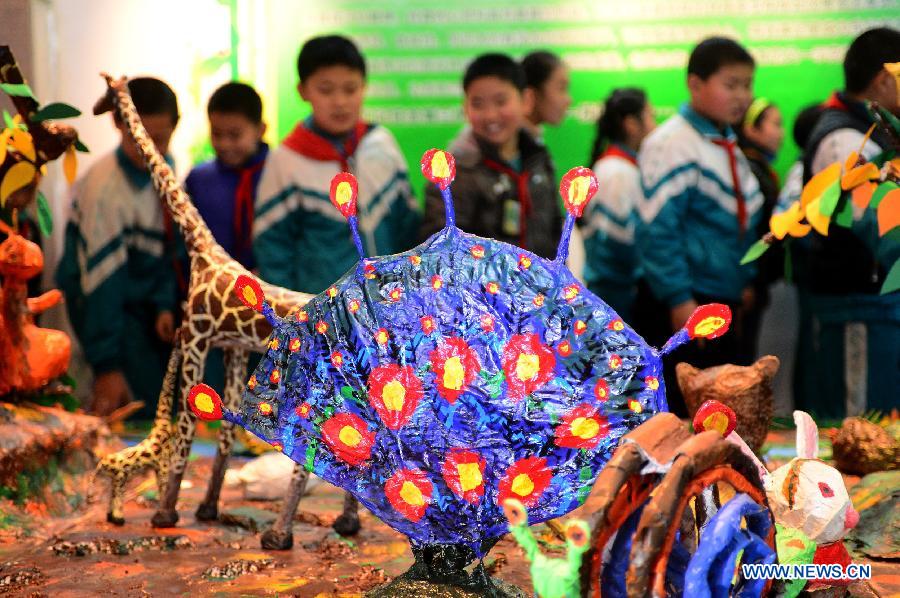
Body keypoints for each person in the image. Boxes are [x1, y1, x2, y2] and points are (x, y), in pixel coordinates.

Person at [634, 37, 763, 415]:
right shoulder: (672, 142)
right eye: (731, 84)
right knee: (684, 419)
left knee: (722, 417)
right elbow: (658, 230)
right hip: (685, 303)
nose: (742, 95)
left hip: (720, 299)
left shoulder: (725, 142)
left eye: (747, 84)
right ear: (695, 84)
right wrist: (678, 299)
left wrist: (745, 279)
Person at [253, 34, 420, 294]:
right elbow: (273, 250)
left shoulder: (381, 144)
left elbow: (408, 227)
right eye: (326, 90)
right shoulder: (287, 160)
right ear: (303, 91)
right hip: (321, 316)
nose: (340, 101)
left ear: (364, 87)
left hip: (390, 306)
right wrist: (290, 316)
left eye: (350, 89)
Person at [56, 77, 181, 417]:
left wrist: (163, 305)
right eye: (137, 138)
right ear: (118, 124)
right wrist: (107, 365)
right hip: (111, 322)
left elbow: (168, 247)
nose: (148, 148)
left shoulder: (165, 167)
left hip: (145, 317)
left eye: (159, 139)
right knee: (134, 415)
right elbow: (100, 286)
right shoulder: (106, 190)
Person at [800, 27, 900, 417]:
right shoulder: (844, 141)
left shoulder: (874, 130)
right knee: (857, 429)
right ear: (884, 80)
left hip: (874, 306)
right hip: (855, 311)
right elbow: (883, 227)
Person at [420, 53, 563, 259]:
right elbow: (440, 255)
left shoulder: (538, 159)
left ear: (526, 100)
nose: (490, 115)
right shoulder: (451, 174)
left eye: (501, 101)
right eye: (478, 104)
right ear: (465, 107)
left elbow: (554, 235)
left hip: (541, 289)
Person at [580, 88, 655, 320]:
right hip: (615, 299)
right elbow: (618, 243)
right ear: (631, 124)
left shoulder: (621, 167)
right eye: (651, 116)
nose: (655, 126)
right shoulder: (616, 172)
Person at [185, 82, 268, 270]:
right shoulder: (198, 180)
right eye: (216, 134)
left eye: (235, 135)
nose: (224, 144)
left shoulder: (279, 174)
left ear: (261, 130)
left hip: (272, 290)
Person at [737, 97, 785, 362]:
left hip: (758, 281)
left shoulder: (760, 168)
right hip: (748, 282)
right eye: (775, 124)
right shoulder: (748, 170)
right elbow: (746, 229)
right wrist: (746, 280)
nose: (781, 133)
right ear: (751, 129)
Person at [521, 50, 571, 142]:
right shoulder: (511, 146)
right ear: (531, 94)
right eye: (561, 88)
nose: (569, 100)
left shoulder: (532, 139)